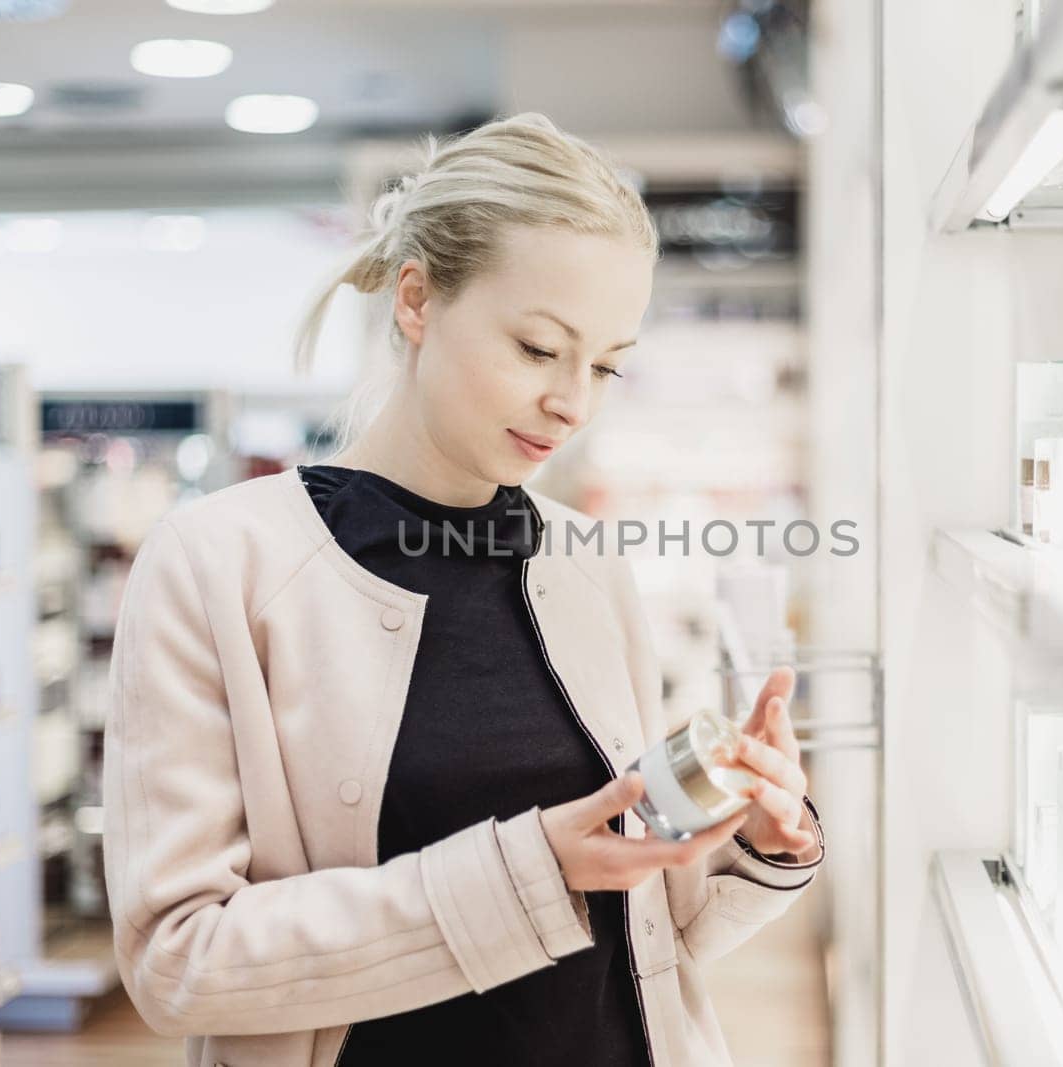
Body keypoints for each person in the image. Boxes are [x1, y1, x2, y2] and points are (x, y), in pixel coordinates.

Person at [102, 111, 825, 1067]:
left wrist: (756, 834)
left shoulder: (586, 562)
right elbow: (178, 960)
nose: (574, 400)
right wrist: (530, 873)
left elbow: (648, 933)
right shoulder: (220, 564)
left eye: (606, 364)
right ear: (416, 299)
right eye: (538, 348)